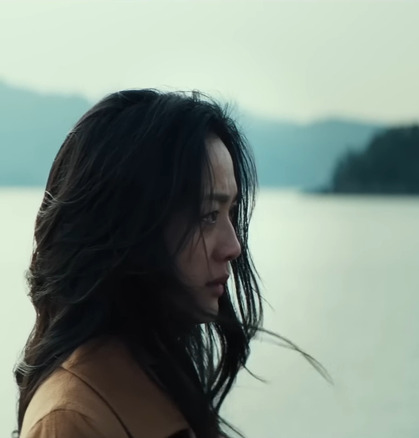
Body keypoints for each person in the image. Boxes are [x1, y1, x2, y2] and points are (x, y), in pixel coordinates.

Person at [13, 89, 307, 438]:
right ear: (130, 228)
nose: (233, 246)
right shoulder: (70, 420)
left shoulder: (158, 379)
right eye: (209, 215)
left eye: (230, 213)